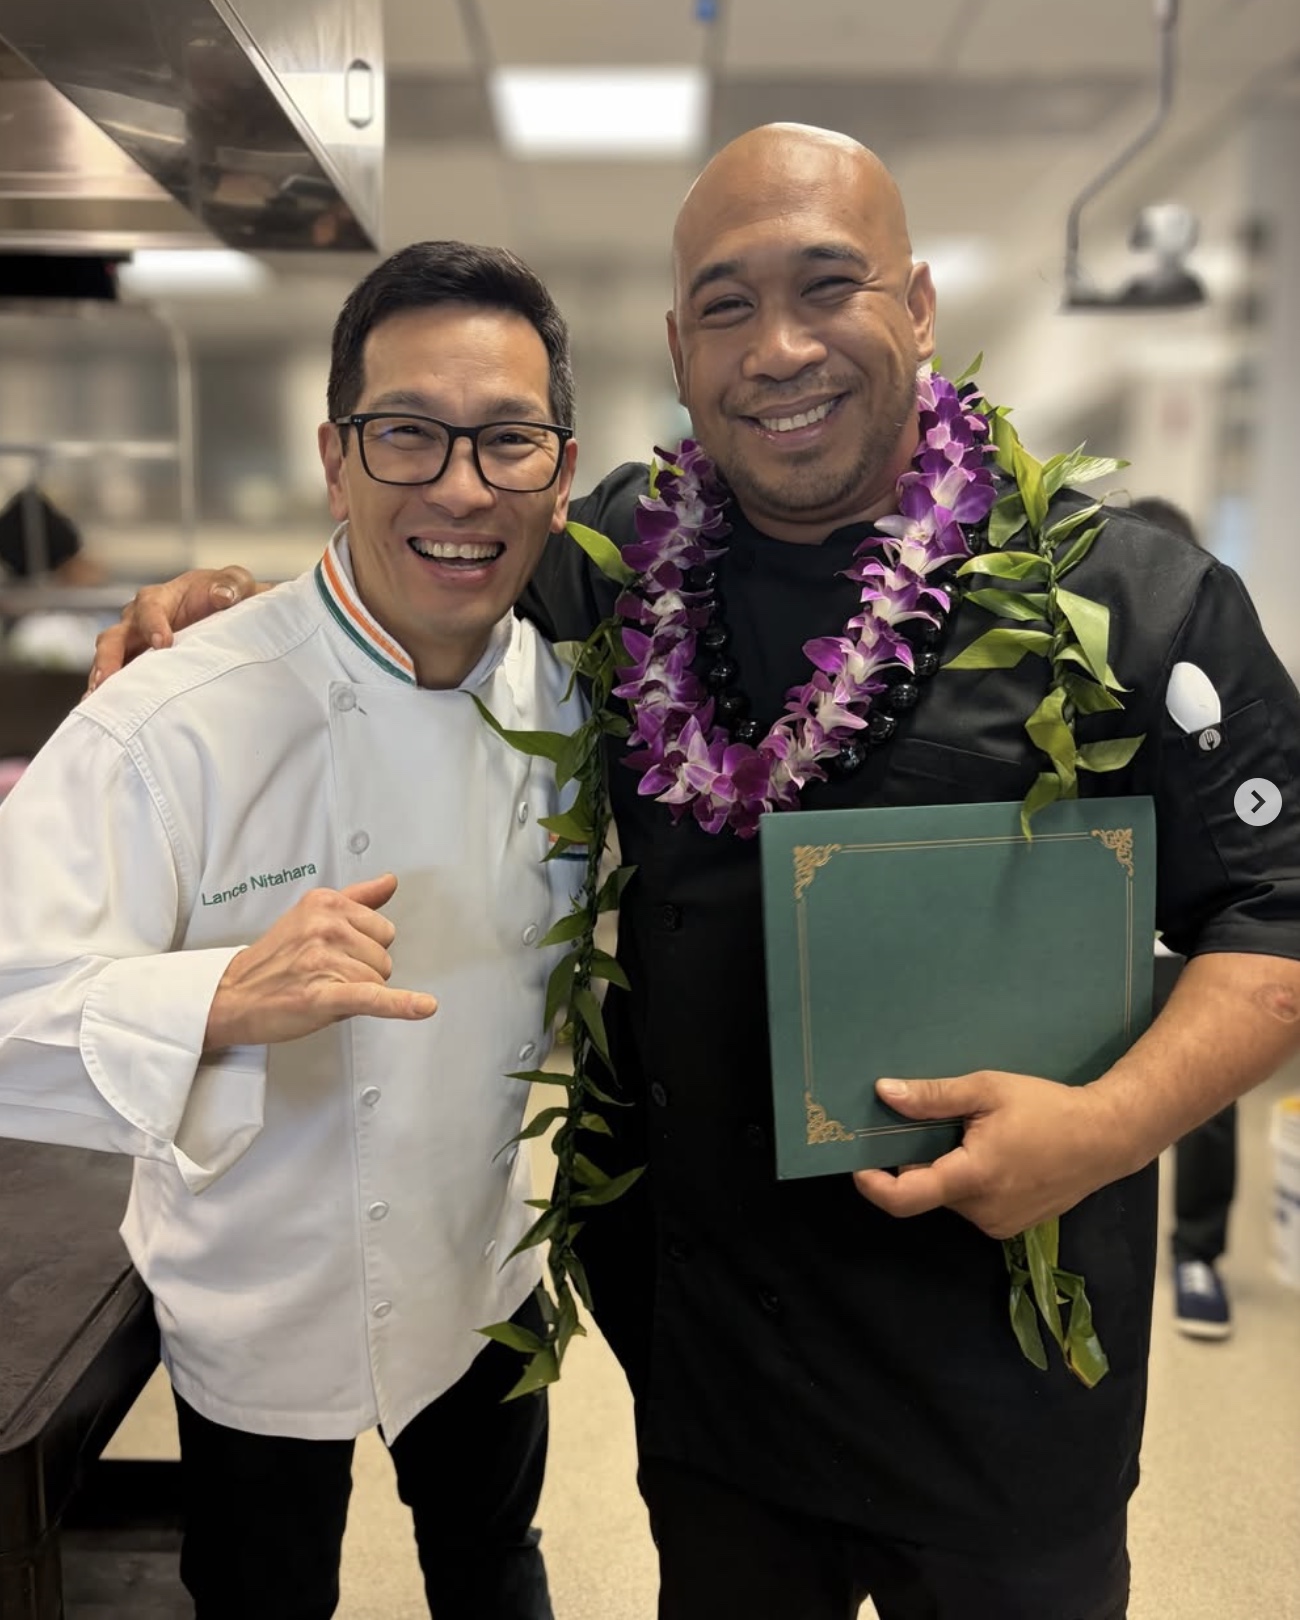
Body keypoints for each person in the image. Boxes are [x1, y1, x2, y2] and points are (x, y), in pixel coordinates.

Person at [90, 126, 1300, 1620]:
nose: (777, 345)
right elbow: (425, 554)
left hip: (1003, 1400)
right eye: (726, 305)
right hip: (715, 1380)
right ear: (677, 346)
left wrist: (1108, 1124)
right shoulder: (618, 565)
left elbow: (1275, 919)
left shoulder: (1128, 601)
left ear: (918, 307)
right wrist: (228, 602)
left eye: (828, 285)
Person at [0, 241, 589, 1620]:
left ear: (559, 476)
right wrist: (213, 997)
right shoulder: (175, 714)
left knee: (494, 1567)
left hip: (479, 1269)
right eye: (407, 435)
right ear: (336, 460)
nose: (459, 485)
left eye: (507, 441)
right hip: (256, 1291)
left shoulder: (575, 705)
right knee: (261, 1595)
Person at [1131, 495, 1239, 1341]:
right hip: (1107, 927)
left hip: (1196, 931)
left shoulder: (1224, 675)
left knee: (1207, 1090)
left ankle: (1198, 1249)